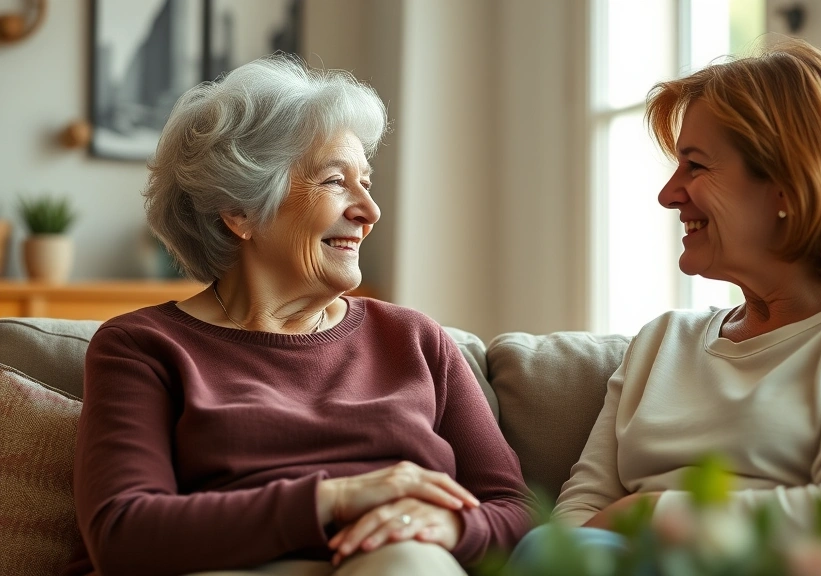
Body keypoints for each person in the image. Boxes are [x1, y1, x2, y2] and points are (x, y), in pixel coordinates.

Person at [512, 40, 821, 576]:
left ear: (788, 183)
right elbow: (578, 517)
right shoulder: (663, 342)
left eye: (695, 165)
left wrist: (648, 511)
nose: (669, 194)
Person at [67, 55, 532, 576]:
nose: (369, 211)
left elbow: (516, 511)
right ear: (240, 211)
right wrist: (336, 499)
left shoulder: (413, 339)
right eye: (335, 182)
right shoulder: (143, 346)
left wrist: (452, 528)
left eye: (368, 183)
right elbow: (124, 534)